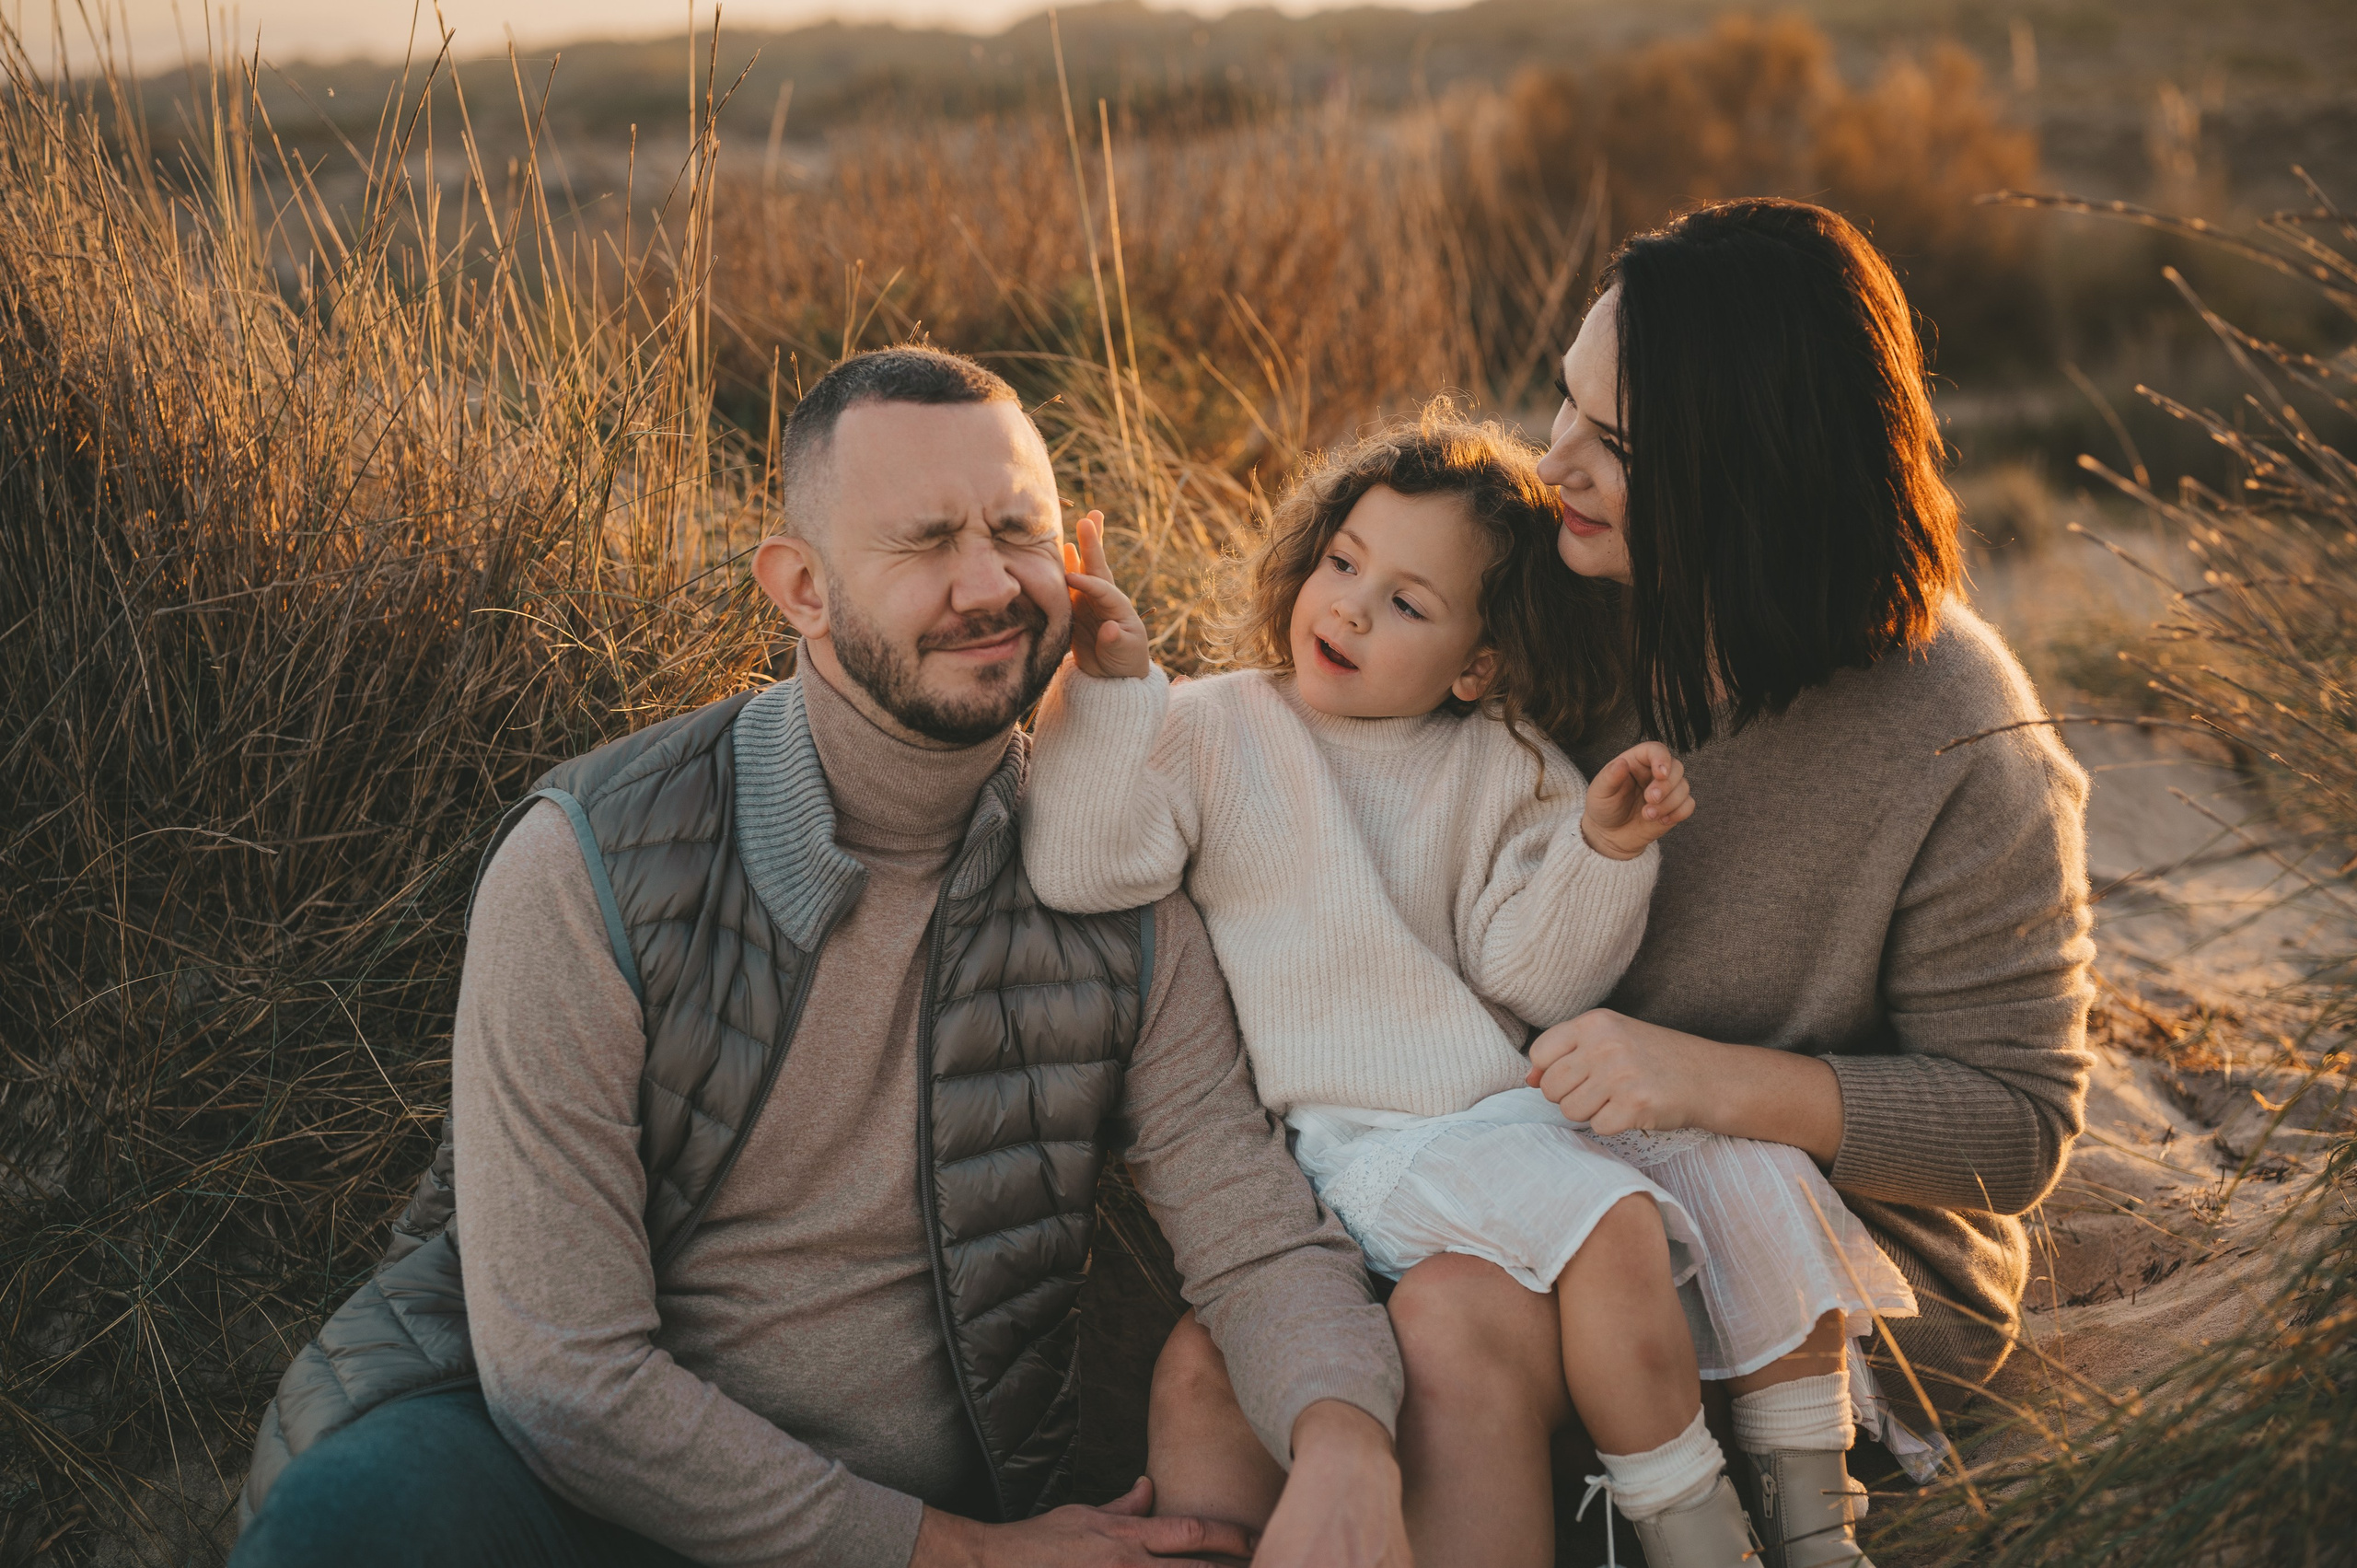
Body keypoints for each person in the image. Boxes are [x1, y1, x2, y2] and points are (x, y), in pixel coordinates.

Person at [229, 346, 1411, 1568]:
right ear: (800, 585)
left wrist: (1346, 1446)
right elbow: (566, 1375)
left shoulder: (1114, 887)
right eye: (922, 541)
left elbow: (1254, 1230)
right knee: (352, 1525)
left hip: (921, 1511)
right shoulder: (593, 859)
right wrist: (963, 1551)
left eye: (1017, 528)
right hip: (558, 1493)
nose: (985, 583)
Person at [1297, 200, 2089, 1568]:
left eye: (1616, 443)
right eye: (1565, 407)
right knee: (1320, 1353)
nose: (1554, 466)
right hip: (1528, 1183)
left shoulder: (1963, 725)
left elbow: (2015, 1127)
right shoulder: (1541, 613)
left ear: (1757, 466)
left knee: (1459, 1348)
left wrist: (1710, 1080)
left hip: (1837, 1270)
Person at [1020, 409, 1914, 1568]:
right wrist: (1112, 684)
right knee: (1612, 1219)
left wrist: (1604, 849)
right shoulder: (1214, 727)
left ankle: (1815, 1523)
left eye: (1407, 603)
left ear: (1477, 663)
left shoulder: (1508, 761)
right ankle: (1697, 1534)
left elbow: (1528, 972)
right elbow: (1083, 861)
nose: (1347, 605)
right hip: (1366, 1146)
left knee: (1752, 1171)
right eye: (1343, 563)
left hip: (1501, 1128)